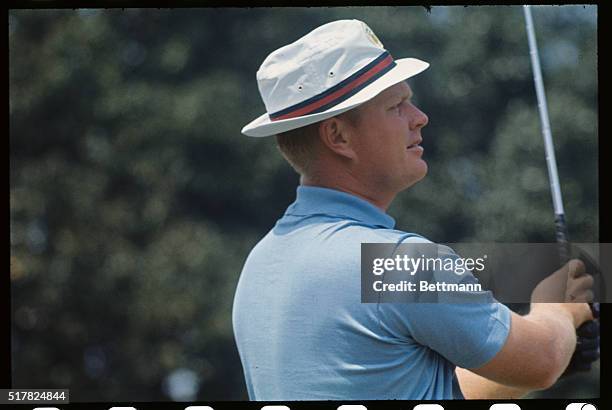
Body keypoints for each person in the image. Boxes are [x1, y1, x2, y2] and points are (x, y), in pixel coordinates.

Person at [232, 19, 595, 400]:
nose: (419, 117)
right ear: (338, 136)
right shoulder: (399, 261)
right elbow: (542, 360)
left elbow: (418, 389)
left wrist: (547, 352)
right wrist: (558, 311)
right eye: (396, 106)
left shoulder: (260, 263)